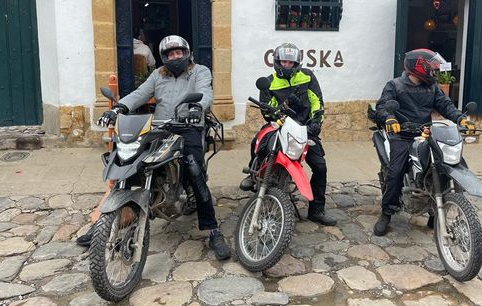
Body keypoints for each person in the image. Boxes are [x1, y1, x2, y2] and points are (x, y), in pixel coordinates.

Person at [82, 35, 231, 260]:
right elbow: (140, 94)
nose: (175, 57)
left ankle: (212, 230)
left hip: (188, 127)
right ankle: (104, 225)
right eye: (170, 54)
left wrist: (196, 108)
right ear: (164, 57)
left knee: (194, 170)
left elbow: (205, 92)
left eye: (179, 52)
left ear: (187, 52)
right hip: (160, 127)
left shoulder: (200, 71)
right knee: (132, 161)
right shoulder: (158, 75)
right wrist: (118, 108)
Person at [373, 48, 475, 236]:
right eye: (431, 69)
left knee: (441, 164)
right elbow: (382, 106)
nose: (433, 73)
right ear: (418, 67)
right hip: (402, 134)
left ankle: (435, 212)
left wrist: (460, 119)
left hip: (427, 132)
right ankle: (386, 213)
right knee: (396, 172)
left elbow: (445, 105)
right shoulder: (394, 85)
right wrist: (389, 118)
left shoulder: (432, 87)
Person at [239, 42, 337, 226]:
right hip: (280, 125)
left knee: (320, 167)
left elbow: (317, 101)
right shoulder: (269, 81)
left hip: (305, 128)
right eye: (284, 61)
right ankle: (253, 172)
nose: (287, 65)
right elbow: (267, 112)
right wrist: (284, 107)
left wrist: (316, 122)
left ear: (296, 63)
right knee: (257, 141)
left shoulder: (308, 76)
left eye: (291, 62)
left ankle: (316, 210)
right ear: (277, 61)